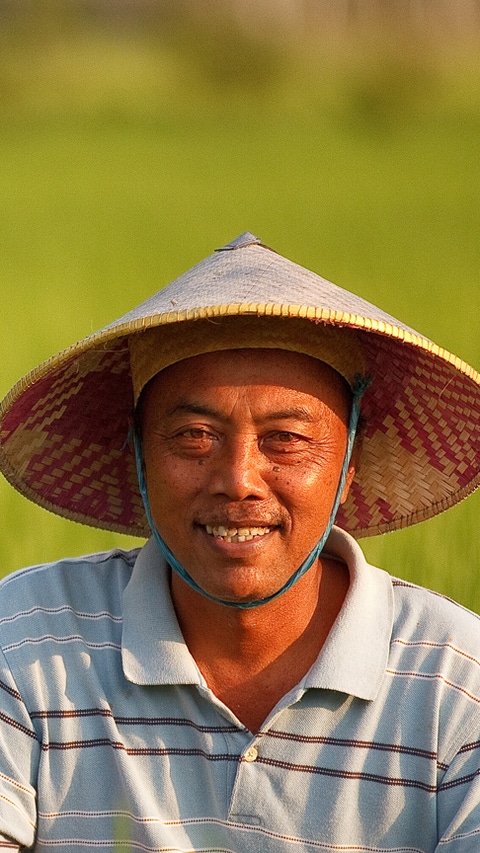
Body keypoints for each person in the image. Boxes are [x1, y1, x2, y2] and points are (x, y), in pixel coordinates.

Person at [0, 231, 479, 851]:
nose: (239, 481)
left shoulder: (457, 682)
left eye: (285, 439)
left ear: (349, 463)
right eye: (195, 435)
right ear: (138, 453)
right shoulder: (25, 641)